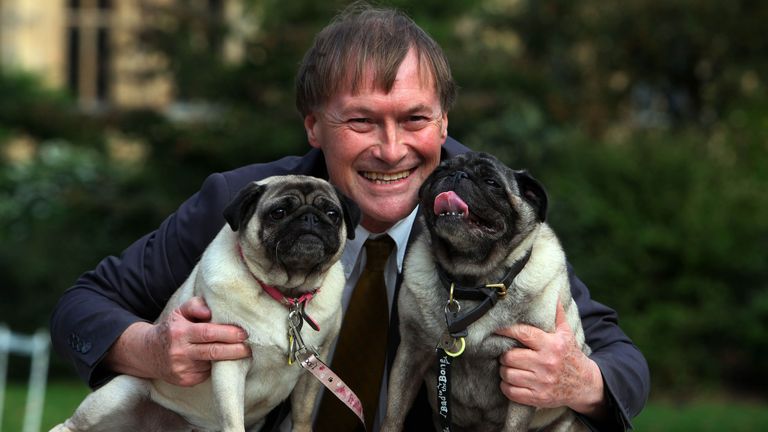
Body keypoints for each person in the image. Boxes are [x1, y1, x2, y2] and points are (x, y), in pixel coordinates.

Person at [50, 3, 649, 431]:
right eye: (361, 122)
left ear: (444, 122)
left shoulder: (495, 219)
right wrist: (151, 350)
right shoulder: (243, 202)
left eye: (415, 120)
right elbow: (82, 306)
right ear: (313, 125)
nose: (391, 150)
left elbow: (622, 361)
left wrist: (580, 383)